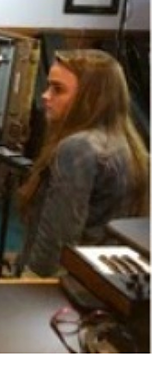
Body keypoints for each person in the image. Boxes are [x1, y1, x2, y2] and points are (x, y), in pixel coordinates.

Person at [15, 49, 149, 277]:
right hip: (108, 277)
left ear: (91, 99)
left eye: (58, 89)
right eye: (48, 86)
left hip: (68, 282)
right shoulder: (128, 145)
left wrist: (29, 283)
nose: (45, 96)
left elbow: (58, 238)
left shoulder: (78, 148)